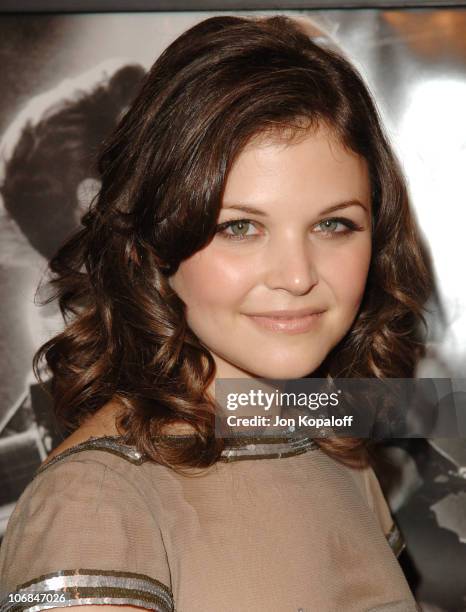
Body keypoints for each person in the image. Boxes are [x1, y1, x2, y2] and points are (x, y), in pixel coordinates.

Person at [0, 14, 434, 612]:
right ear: (151, 242)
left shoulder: (334, 445)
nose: (298, 275)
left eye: (333, 224)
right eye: (239, 227)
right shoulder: (97, 502)